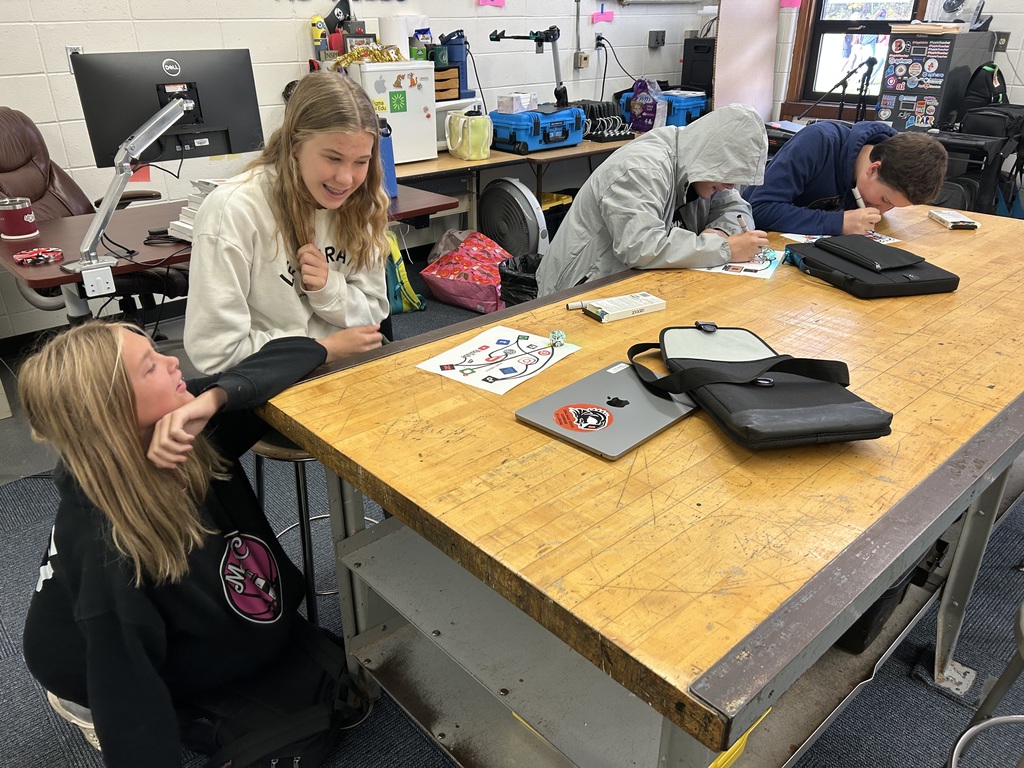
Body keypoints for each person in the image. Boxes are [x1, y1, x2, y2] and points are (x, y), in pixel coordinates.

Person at [18, 321, 347, 766]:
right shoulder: (110, 553)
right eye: (151, 365)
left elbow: (281, 358)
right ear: (113, 410)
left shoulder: (178, 418)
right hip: (87, 657)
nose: (174, 360)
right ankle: (81, 707)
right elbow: (129, 709)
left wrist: (218, 396)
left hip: (164, 619)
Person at [184, 71, 391, 375]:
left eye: (361, 162)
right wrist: (322, 349)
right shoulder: (234, 210)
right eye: (333, 158)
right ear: (295, 145)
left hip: (347, 364)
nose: (346, 179)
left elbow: (374, 312)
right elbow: (215, 352)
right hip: (269, 381)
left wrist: (329, 289)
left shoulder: (362, 202)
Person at [535, 103, 770, 297]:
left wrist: (721, 231)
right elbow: (641, 246)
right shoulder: (641, 169)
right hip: (576, 291)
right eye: (728, 176)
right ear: (711, 155)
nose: (730, 185)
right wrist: (725, 249)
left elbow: (734, 206)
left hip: (635, 283)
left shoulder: (703, 167)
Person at [743, 121, 948, 236]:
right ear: (873, 169)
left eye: (893, 207)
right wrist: (838, 222)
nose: (880, 211)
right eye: (885, 200)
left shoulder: (888, 171)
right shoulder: (819, 142)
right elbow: (759, 209)